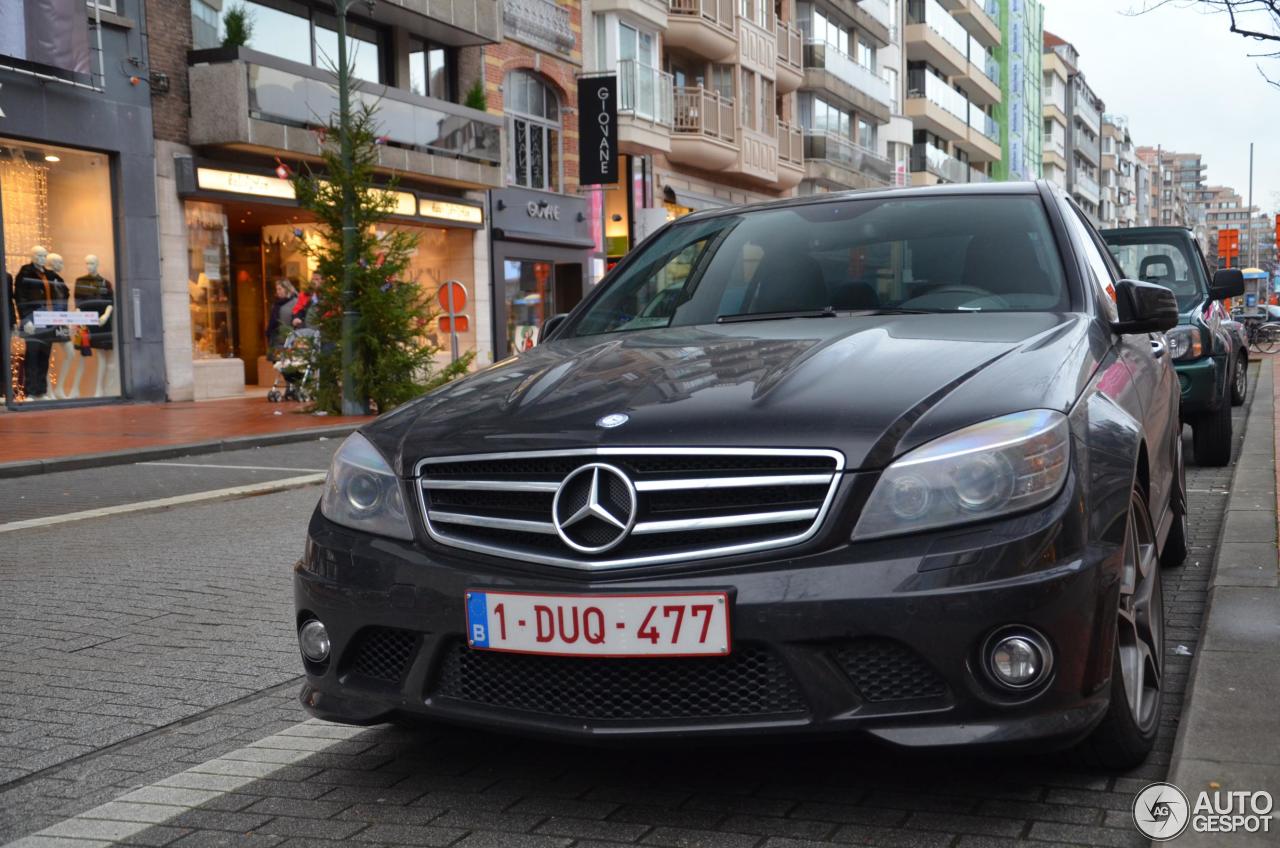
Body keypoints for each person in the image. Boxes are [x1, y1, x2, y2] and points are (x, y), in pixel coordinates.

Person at [266, 278, 298, 357]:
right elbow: (273, 323)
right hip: (277, 340)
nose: (278, 292)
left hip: (290, 341)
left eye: (280, 289)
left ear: (286, 288)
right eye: (277, 289)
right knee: (277, 366)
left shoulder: (295, 302)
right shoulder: (277, 304)